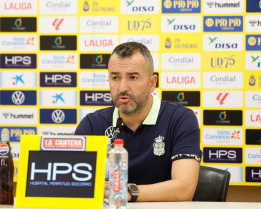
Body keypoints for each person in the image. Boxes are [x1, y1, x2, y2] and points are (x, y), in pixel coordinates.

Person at [74, 42, 202, 202]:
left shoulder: (180, 119)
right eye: (115, 77)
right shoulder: (92, 125)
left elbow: (184, 189)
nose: (122, 87)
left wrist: (126, 193)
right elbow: (75, 186)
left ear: (151, 83)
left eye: (133, 77)